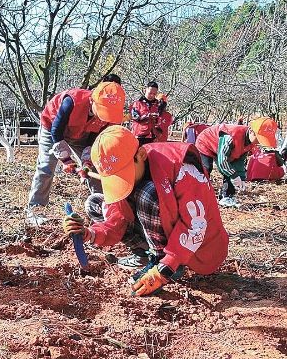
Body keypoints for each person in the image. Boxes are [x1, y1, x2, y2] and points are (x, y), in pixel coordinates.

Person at [62, 126, 229, 295]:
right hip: (161, 224)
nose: (123, 183)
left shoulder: (181, 167)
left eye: (125, 174)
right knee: (95, 202)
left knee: (146, 193)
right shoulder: (128, 173)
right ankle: (143, 254)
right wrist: (88, 233)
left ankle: (160, 260)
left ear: (141, 155)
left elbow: (195, 225)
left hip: (200, 246)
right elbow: (116, 220)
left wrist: (166, 267)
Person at [26, 81, 126, 226]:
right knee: (46, 167)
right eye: (104, 111)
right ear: (93, 101)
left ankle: (101, 208)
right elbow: (56, 130)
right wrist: (66, 159)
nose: (105, 118)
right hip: (52, 128)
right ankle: (35, 209)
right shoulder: (72, 101)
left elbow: (92, 140)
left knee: (95, 168)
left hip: (83, 134)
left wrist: (86, 161)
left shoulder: (107, 119)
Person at [194, 117, 279, 208]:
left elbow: (240, 161)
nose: (259, 143)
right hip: (206, 143)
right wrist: (234, 176)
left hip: (223, 150)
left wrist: (241, 177)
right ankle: (197, 195)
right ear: (251, 132)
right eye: (259, 139)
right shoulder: (231, 136)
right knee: (206, 168)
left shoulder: (250, 142)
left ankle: (227, 197)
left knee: (230, 169)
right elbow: (223, 160)